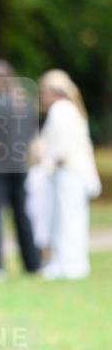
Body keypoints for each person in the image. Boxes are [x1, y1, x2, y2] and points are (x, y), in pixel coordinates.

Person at [0, 60, 40, 281]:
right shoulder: (25, 104)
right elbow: (33, 140)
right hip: (20, 166)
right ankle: (33, 263)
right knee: (22, 215)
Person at [35, 69, 100, 280]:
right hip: (76, 172)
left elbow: (59, 148)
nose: (42, 98)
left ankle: (68, 265)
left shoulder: (60, 110)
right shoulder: (72, 110)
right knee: (73, 219)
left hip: (67, 172)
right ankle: (71, 264)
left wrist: (45, 165)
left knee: (66, 220)